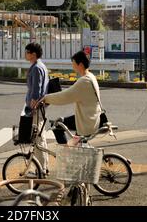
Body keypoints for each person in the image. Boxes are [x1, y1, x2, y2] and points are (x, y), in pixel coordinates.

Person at [36, 50, 101, 144]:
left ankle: (65, 155)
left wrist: (45, 98)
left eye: (74, 64)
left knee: (57, 126)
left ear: (81, 65)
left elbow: (64, 96)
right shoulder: (90, 76)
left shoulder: (84, 81)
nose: (72, 66)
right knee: (62, 125)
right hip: (91, 116)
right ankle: (74, 151)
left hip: (87, 121)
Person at [24, 42, 49, 175]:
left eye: (27, 52)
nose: (25, 54)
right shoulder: (41, 66)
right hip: (40, 106)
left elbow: (36, 89)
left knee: (38, 138)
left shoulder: (36, 68)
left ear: (33, 54)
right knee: (40, 136)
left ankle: (41, 169)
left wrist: (32, 106)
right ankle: (44, 166)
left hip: (36, 107)